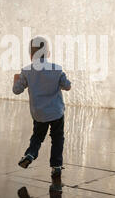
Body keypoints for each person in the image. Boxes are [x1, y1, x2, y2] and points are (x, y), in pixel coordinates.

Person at [13, 36, 71, 177]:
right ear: (48, 53)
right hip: (56, 112)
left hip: (39, 113)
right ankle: (56, 165)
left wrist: (15, 79)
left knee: (38, 137)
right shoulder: (57, 69)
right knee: (57, 138)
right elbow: (67, 86)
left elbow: (17, 90)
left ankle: (30, 155)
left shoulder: (27, 70)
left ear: (31, 54)